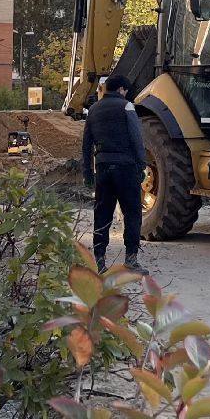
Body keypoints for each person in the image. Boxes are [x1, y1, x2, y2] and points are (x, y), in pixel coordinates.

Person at [81, 74, 146, 273]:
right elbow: (136, 139)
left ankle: (99, 261)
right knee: (132, 213)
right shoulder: (126, 107)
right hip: (126, 168)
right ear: (121, 89)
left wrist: (87, 171)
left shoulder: (93, 110)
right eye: (125, 91)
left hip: (102, 168)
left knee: (102, 213)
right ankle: (131, 259)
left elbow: (86, 144)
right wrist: (141, 165)